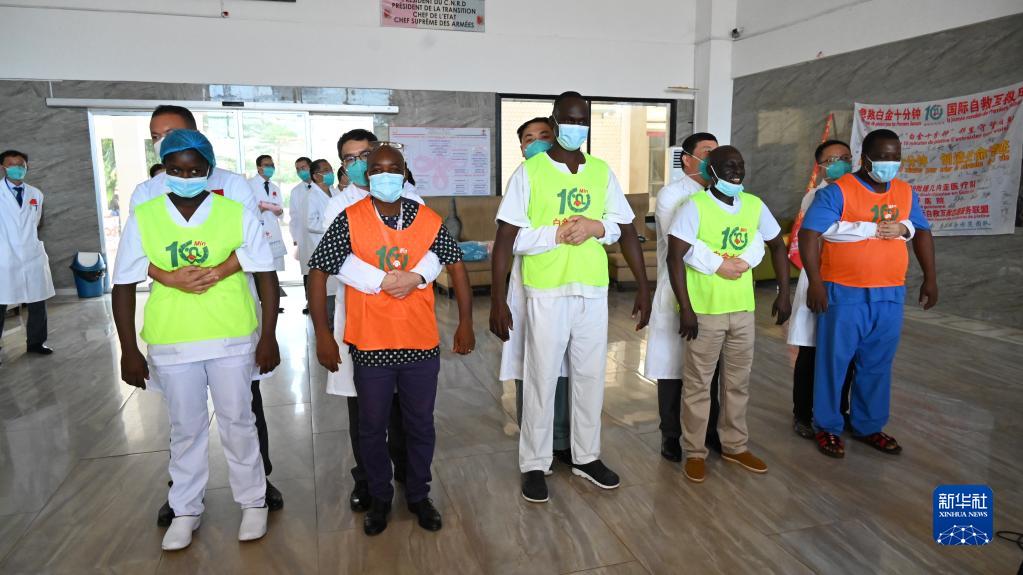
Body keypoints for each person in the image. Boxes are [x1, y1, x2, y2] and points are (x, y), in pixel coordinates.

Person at [111, 130, 280, 550]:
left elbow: (266, 274)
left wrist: (269, 336)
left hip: (231, 335)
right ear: (163, 170)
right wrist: (129, 349)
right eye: (175, 169)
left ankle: (253, 501)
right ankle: (185, 509)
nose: (185, 177)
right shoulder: (145, 216)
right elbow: (123, 283)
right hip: (173, 340)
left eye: (194, 170)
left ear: (208, 169)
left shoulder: (234, 212)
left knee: (238, 422)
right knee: (185, 429)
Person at [491, 92, 652, 503]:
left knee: (590, 376)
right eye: (569, 119)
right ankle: (534, 462)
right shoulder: (530, 172)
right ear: (555, 120)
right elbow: (507, 238)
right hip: (547, 289)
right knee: (541, 378)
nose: (576, 126)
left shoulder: (600, 171)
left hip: (592, 288)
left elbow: (625, 228)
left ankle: (586, 456)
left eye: (582, 120)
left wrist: (642, 284)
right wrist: (497, 299)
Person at [308, 143, 474, 536]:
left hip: (419, 342)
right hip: (371, 344)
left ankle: (418, 494)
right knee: (371, 427)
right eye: (377, 168)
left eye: (393, 168)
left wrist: (466, 322)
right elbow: (318, 272)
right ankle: (380, 498)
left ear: (404, 172)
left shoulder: (426, 218)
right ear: (367, 175)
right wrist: (323, 335)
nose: (385, 175)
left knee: (420, 425)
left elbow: (456, 265)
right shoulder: (350, 219)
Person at [320, 129, 442, 514]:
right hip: (363, 319)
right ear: (344, 166)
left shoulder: (412, 200)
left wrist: (415, 276)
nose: (359, 164)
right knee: (366, 414)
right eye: (350, 158)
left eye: (365, 155)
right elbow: (337, 260)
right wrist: (384, 280)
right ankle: (370, 483)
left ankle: (408, 477)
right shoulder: (339, 207)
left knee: (407, 412)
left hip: (409, 320)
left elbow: (432, 250)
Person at [799, 129, 937, 459]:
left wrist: (930, 278)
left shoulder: (905, 192)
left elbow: (922, 232)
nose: (890, 162)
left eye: (895, 156)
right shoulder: (838, 191)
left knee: (877, 363)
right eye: (883, 156)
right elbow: (809, 234)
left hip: (890, 292)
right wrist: (816, 282)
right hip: (844, 291)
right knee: (834, 363)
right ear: (866, 158)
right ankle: (827, 426)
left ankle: (868, 425)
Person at [667, 145, 791, 483]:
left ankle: (735, 445)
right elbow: (674, 256)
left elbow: (777, 245)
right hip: (705, 311)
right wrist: (686, 309)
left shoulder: (754, 205)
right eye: (728, 166)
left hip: (742, 309)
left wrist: (784, 293)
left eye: (740, 165)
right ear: (711, 171)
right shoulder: (694, 206)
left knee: (738, 383)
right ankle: (695, 451)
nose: (736, 171)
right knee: (698, 385)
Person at [643, 132, 765, 462]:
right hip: (681, 288)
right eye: (707, 153)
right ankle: (672, 434)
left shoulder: (735, 197)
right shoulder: (673, 195)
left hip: (722, 294)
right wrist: (720, 263)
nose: (714, 159)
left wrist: (736, 261)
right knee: (674, 368)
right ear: (688, 160)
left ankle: (709, 431)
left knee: (712, 369)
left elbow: (752, 237)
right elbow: (681, 244)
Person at [500, 117, 588, 471]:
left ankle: (563, 441)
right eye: (528, 138)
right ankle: (536, 446)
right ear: (521, 148)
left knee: (568, 368)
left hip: (576, 285)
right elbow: (511, 239)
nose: (536, 142)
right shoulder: (523, 178)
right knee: (534, 368)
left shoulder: (582, 177)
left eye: (544, 136)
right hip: (533, 287)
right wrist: (557, 235)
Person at [0, 150, 55, 366]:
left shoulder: (36, 194)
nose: (17, 168)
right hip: (4, 255)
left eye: (21, 165)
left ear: (27, 167)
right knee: (1, 301)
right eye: (12, 165)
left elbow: (36, 222)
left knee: (37, 300)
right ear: (2, 168)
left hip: (31, 254)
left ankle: (36, 342)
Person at [247, 155, 287, 279]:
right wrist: (260, 209)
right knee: (259, 272)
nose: (270, 168)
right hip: (257, 231)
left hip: (273, 232)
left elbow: (281, 212)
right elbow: (245, 210)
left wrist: (279, 211)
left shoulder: (275, 188)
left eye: (272, 165)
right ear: (259, 168)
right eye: (267, 165)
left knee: (274, 272)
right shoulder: (249, 185)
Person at [288, 157, 313, 313]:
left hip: (322, 236)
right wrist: (296, 239)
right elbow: (294, 217)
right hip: (304, 238)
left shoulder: (324, 187)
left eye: (303, 167)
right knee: (307, 272)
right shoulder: (296, 191)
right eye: (298, 169)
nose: (300, 171)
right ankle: (310, 302)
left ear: (311, 167)